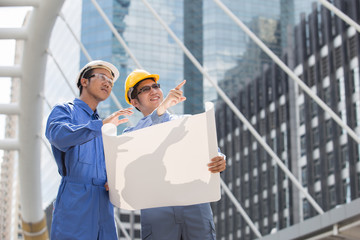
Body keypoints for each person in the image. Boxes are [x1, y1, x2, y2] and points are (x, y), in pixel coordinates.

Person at [123, 69, 226, 240]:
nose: (154, 91)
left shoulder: (187, 121)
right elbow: (143, 137)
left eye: (155, 86)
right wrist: (162, 109)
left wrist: (220, 159)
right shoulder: (131, 133)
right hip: (157, 210)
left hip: (195, 204)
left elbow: (210, 150)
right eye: (145, 89)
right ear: (134, 101)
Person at [45, 60, 133, 240]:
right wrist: (100, 126)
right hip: (75, 198)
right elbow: (58, 136)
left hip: (104, 203)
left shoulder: (105, 126)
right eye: (102, 77)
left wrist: (113, 180)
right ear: (84, 81)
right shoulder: (65, 111)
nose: (108, 82)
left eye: (110, 80)